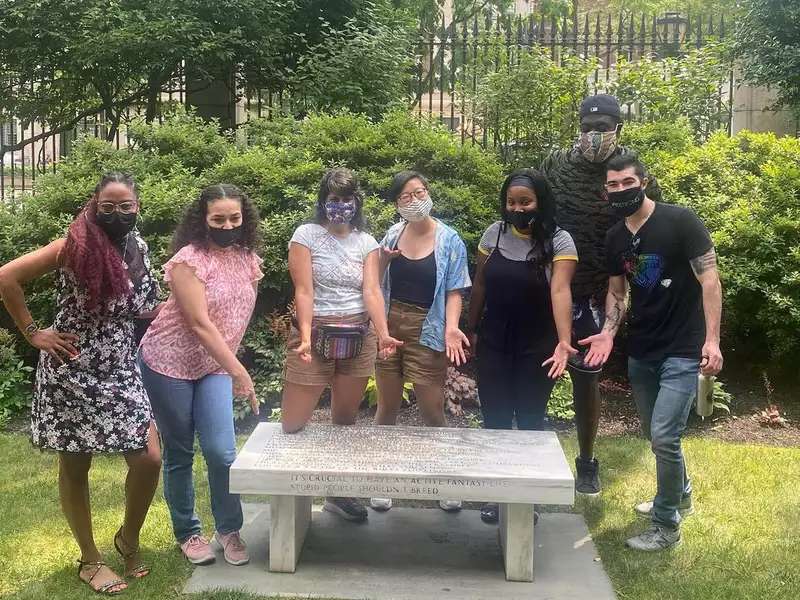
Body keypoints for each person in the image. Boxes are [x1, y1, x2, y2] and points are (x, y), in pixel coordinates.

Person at [0, 172, 161, 595]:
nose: (117, 213)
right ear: (93, 205)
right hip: (70, 366)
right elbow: (6, 277)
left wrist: (189, 295)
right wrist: (34, 332)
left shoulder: (138, 247)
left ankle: (127, 537)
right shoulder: (72, 247)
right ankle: (90, 559)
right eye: (107, 206)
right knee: (76, 464)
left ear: (137, 206)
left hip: (121, 366)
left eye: (125, 206)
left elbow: (142, 307)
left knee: (148, 458)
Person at [580, 154, 723, 551]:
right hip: (643, 348)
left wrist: (712, 340)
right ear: (605, 190)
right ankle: (681, 494)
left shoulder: (680, 221)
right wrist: (608, 333)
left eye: (628, 182)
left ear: (644, 181)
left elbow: (709, 279)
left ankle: (666, 525)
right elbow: (617, 292)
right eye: (614, 185)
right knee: (653, 433)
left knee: (663, 434)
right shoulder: (615, 238)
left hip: (682, 346)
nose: (621, 190)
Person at [540, 93, 661, 496]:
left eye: (603, 127)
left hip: (600, 290)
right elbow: (535, 211)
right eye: (588, 127)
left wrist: (643, 287)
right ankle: (527, 454)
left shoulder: (628, 170)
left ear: (617, 129)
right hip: (552, 284)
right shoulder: (556, 164)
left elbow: (648, 232)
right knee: (535, 370)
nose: (595, 135)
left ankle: (587, 461)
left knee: (587, 378)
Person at [138, 184, 262, 567]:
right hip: (168, 363)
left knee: (222, 452)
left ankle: (228, 529)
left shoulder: (248, 260)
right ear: (203, 220)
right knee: (179, 452)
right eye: (218, 219)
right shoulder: (188, 261)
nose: (228, 225)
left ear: (244, 219)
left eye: (234, 218)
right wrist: (240, 371)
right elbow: (199, 323)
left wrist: (229, 365)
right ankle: (188, 533)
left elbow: (238, 317)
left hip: (213, 366)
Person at [281, 168, 401, 523]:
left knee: (344, 423)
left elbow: (372, 291)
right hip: (314, 335)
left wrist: (383, 332)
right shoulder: (306, 235)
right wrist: (303, 335)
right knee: (292, 423)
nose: (340, 206)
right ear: (323, 201)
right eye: (333, 199)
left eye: (346, 200)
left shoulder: (367, 241)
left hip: (357, 337)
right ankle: (295, 489)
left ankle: (338, 493)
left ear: (356, 202)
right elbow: (304, 290)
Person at [467, 168, 578, 523]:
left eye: (525, 202)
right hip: (494, 341)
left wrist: (564, 342)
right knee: (495, 422)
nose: (517, 209)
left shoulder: (560, 242)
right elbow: (480, 285)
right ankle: (497, 497)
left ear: (540, 202)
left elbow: (560, 291)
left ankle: (525, 500)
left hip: (537, 346)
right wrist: (468, 329)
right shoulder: (493, 234)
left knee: (530, 423)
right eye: (511, 202)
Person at [369, 170, 471, 514]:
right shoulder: (393, 234)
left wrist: (452, 328)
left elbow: (455, 290)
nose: (415, 200)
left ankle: (444, 481)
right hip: (389, 325)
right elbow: (376, 281)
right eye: (406, 196)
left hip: (428, 326)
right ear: (396, 204)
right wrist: (382, 260)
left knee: (432, 409)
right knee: (386, 407)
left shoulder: (450, 239)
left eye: (420, 192)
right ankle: (381, 482)